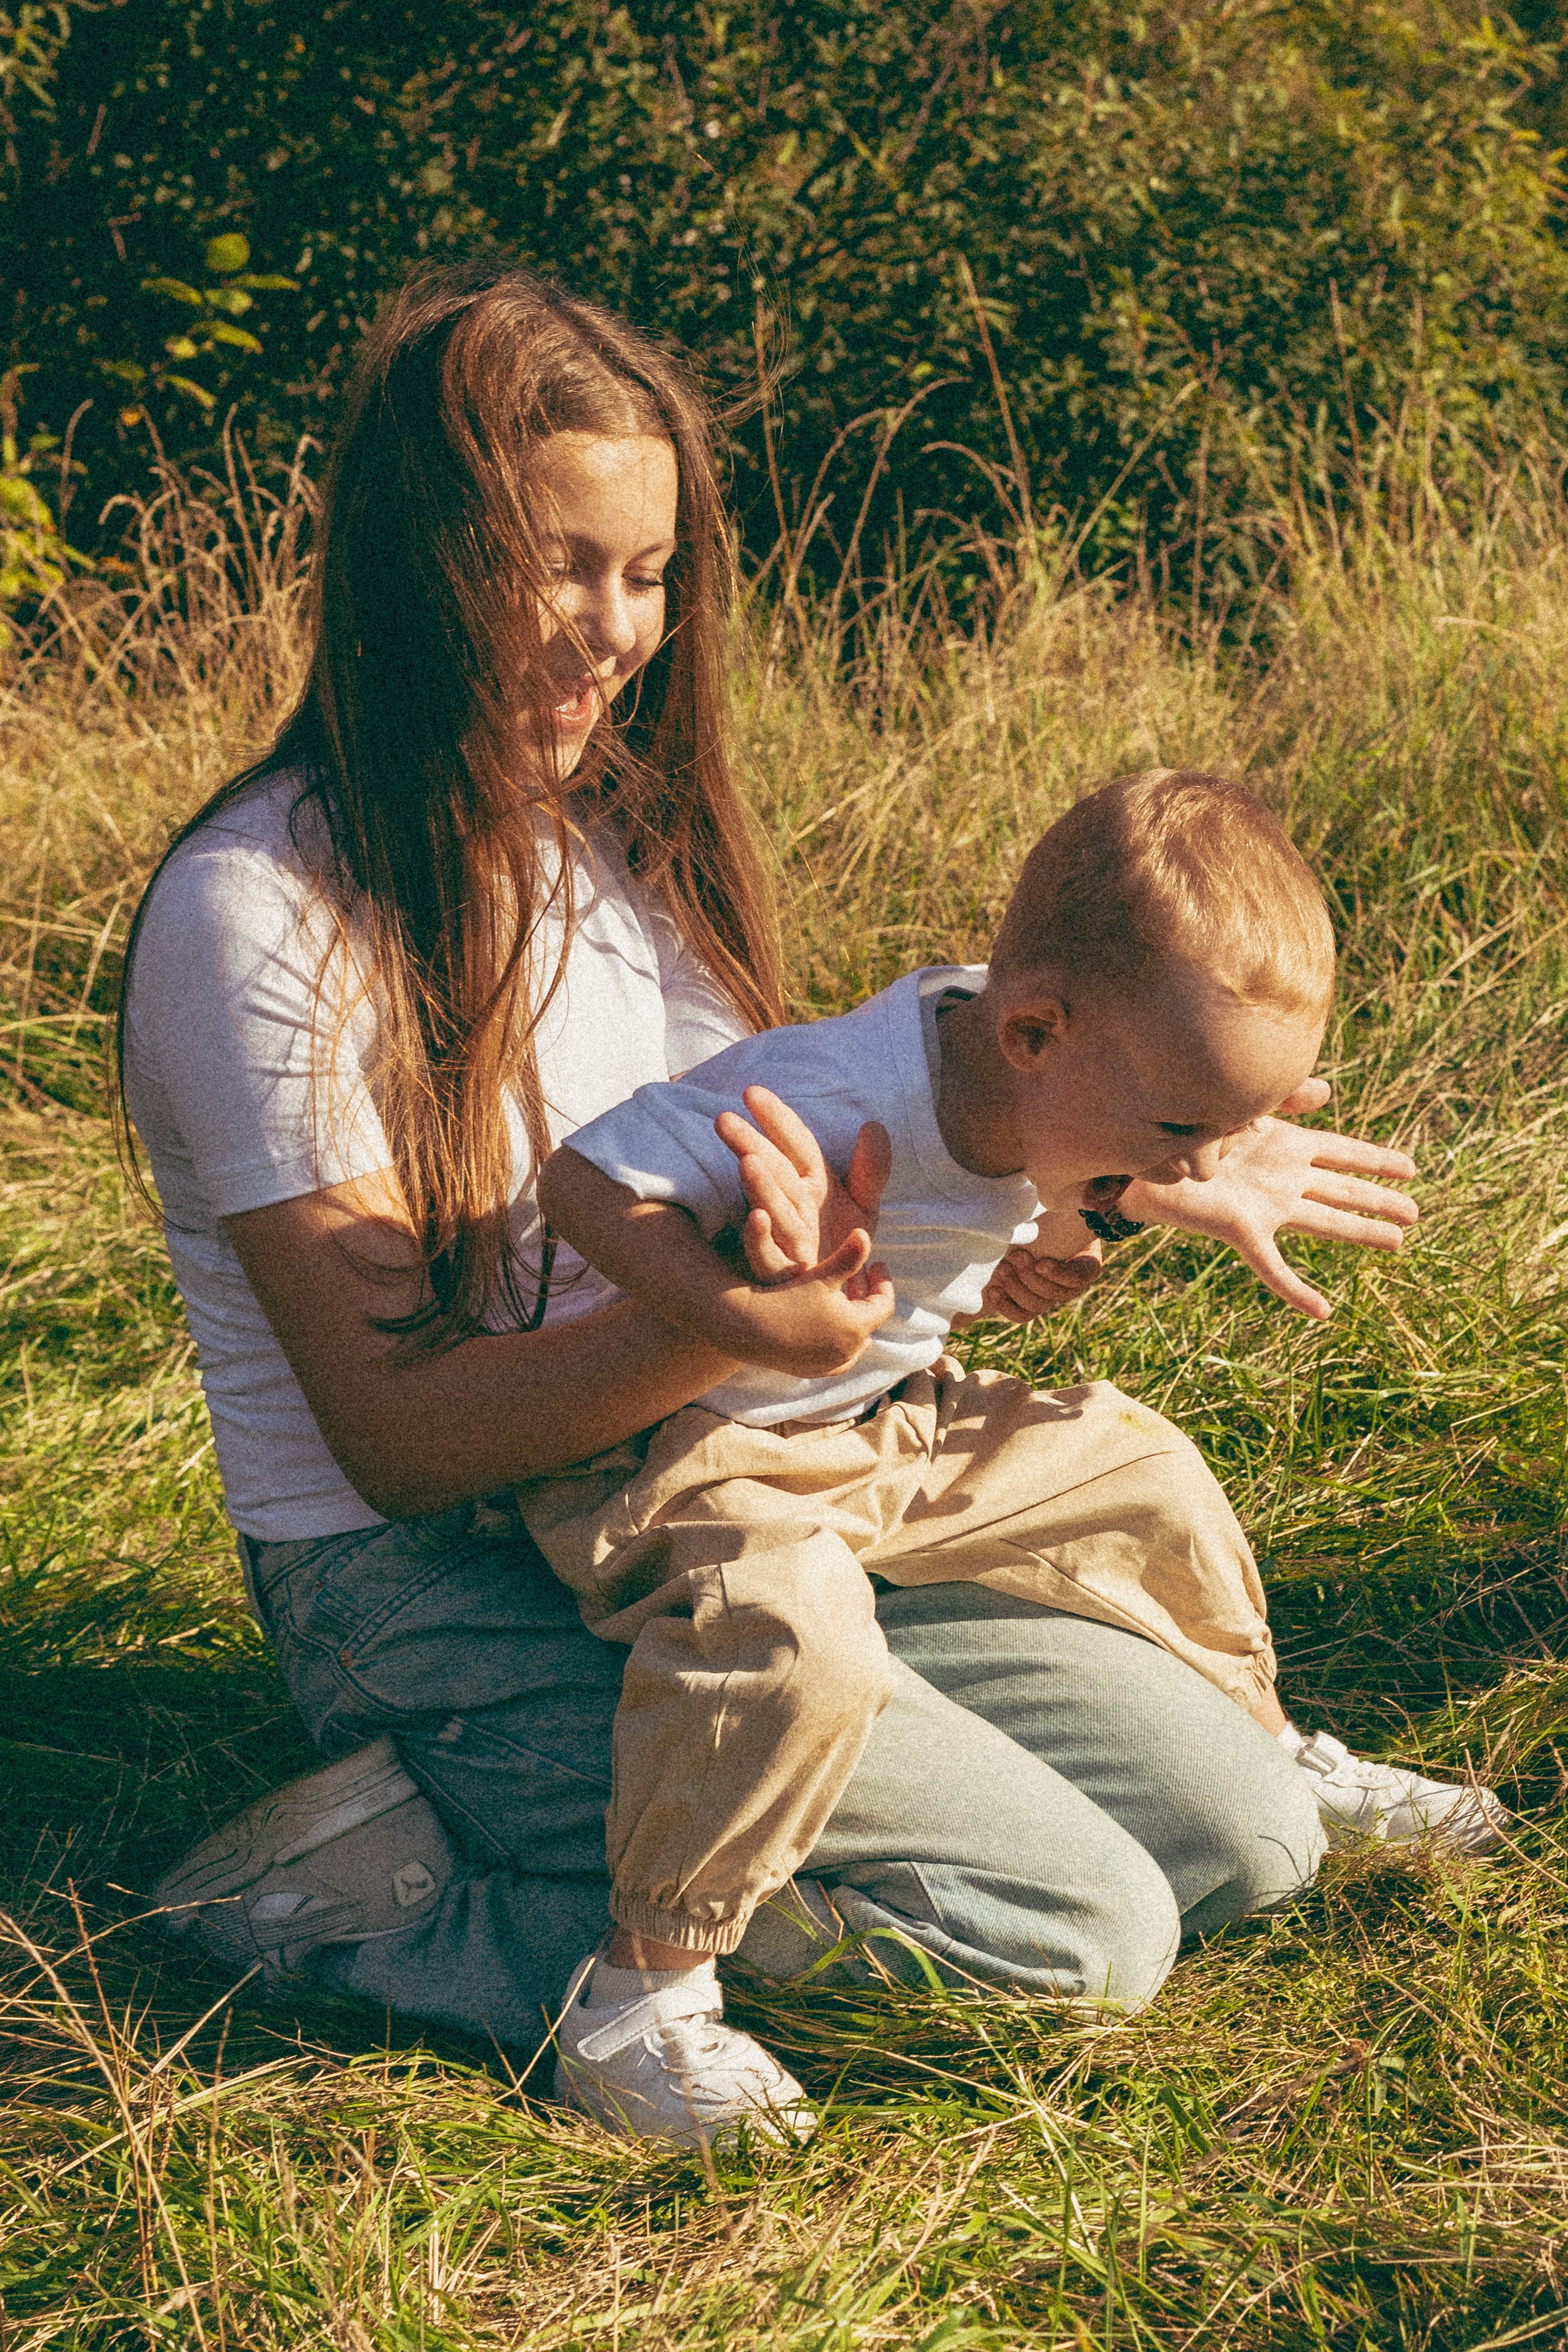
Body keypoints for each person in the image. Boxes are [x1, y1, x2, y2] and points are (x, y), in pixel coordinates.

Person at [120, 260, 1442, 2147]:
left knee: (1237, 1826)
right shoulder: (259, 912)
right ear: (422, 562)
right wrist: (724, 1325)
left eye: (647, 573)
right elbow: (404, 1444)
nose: (614, 631)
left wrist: (1131, 1178)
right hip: (427, 1571)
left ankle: (695, 1810)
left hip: (738, 1471)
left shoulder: (624, 848)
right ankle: (388, 1896)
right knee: (1072, 1927)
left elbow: (834, 1207)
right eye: (557, 567)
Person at [525, 771, 1505, 2137]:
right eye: (1186, 1131)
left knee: (1141, 1470)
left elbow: (985, 1210)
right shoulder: (835, 1093)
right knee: (795, 1641)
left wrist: (1049, 1245)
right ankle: (643, 2000)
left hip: (879, 1424)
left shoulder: (1027, 1064)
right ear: (1036, 1027)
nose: (1209, 1164)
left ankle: (1279, 1750)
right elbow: (582, 1179)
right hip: (699, 1452)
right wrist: (742, 1313)